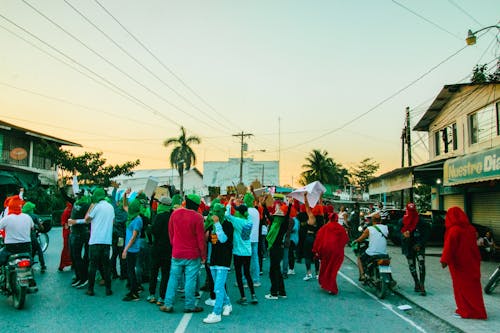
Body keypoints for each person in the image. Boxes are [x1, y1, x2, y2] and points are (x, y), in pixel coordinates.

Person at [160, 194, 206, 314]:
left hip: (177, 252)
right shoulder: (198, 218)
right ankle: (189, 305)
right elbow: (201, 239)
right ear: (197, 205)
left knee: (173, 278)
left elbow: (171, 232)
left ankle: (168, 304)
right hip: (192, 254)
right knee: (190, 280)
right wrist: (203, 255)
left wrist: (174, 245)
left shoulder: (175, 214)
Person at [440, 206, 487, 319]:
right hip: (472, 262)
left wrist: (444, 260)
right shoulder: (471, 228)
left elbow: (449, 247)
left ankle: (465, 310)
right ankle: (478, 310)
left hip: (460, 264)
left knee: (461, 287)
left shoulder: (454, 230)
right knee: (474, 287)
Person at [203, 203, 234, 324]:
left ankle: (216, 313)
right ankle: (227, 304)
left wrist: (217, 224)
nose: (215, 214)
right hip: (214, 260)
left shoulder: (228, 225)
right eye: (213, 211)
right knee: (218, 286)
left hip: (224, 260)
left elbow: (223, 240)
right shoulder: (212, 226)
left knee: (218, 288)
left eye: (217, 211)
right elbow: (212, 241)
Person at [225, 198, 258, 305]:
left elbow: (227, 215)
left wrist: (230, 203)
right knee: (247, 273)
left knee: (239, 274)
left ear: (240, 212)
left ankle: (243, 297)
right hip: (247, 251)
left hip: (238, 252)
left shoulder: (238, 221)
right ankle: (253, 295)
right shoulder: (249, 221)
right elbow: (244, 214)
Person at [84, 188, 115, 297]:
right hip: (106, 241)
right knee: (106, 266)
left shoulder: (96, 207)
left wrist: (90, 207)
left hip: (95, 240)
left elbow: (87, 219)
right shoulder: (111, 207)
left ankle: (90, 289)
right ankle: (108, 289)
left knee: (93, 266)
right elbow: (112, 221)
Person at [312, 211, 349, 295]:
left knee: (325, 267)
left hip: (326, 251)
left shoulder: (325, 227)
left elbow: (318, 239)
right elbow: (345, 239)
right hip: (337, 251)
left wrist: (316, 250)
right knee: (333, 269)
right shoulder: (341, 228)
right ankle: (331, 287)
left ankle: (324, 283)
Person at [265, 200, 294, 300]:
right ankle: (282, 292)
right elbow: (268, 215)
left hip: (275, 249)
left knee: (273, 271)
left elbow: (286, 217)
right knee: (277, 271)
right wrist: (264, 204)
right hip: (279, 248)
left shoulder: (279, 224)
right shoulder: (279, 224)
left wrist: (290, 206)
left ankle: (274, 293)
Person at [399, 202, 430, 296]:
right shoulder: (402, 221)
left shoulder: (420, 221)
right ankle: (416, 282)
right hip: (408, 247)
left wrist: (420, 244)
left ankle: (422, 284)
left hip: (418, 247)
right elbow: (397, 233)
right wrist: (403, 235)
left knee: (421, 264)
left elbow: (427, 234)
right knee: (411, 265)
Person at [147, 196, 173, 305]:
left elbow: (154, 231)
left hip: (157, 248)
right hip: (168, 248)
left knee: (153, 271)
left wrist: (149, 228)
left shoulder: (158, 216)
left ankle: (152, 295)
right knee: (165, 273)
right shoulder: (172, 216)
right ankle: (162, 297)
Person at [353, 212, 388, 280]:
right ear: (380, 220)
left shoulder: (369, 229)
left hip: (372, 253)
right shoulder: (385, 228)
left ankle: (363, 275)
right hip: (384, 253)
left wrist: (355, 241)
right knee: (386, 262)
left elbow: (361, 239)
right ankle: (389, 278)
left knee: (359, 258)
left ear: (372, 220)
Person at [0, 195, 33, 266]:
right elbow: (32, 228)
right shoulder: (27, 217)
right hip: (26, 247)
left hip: (11, 248)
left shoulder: (6, 219)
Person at [68, 193, 91, 289]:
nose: (77, 196)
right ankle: (79, 277)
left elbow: (88, 219)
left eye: (79, 194)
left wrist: (75, 222)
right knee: (74, 257)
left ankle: (83, 278)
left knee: (78, 257)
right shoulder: (77, 203)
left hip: (80, 233)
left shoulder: (87, 205)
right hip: (74, 232)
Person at [122, 198, 143, 301]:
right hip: (130, 248)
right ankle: (134, 289)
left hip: (132, 249)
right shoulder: (132, 216)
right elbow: (124, 206)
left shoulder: (137, 220)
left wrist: (125, 249)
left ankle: (134, 293)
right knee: (130, 270)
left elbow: (134, 237)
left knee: (131, 271)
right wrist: (125, 195)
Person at [22, 201, 47, 273]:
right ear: (30, 209)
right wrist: (39, 226)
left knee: (30, 251)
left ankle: (29, 264)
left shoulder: (21, 215)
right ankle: (43, 265)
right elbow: (41, 228)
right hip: (32, 237)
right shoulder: (34, 216)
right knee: (39, 249)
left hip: (23, 238)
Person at [58, 202, 73, 271]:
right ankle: (63, 264)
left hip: (67, 231)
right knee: (67, 248)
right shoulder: (69, 210)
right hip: (68, 232)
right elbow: (64, 223)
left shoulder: (67, 209)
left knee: (68, 248)